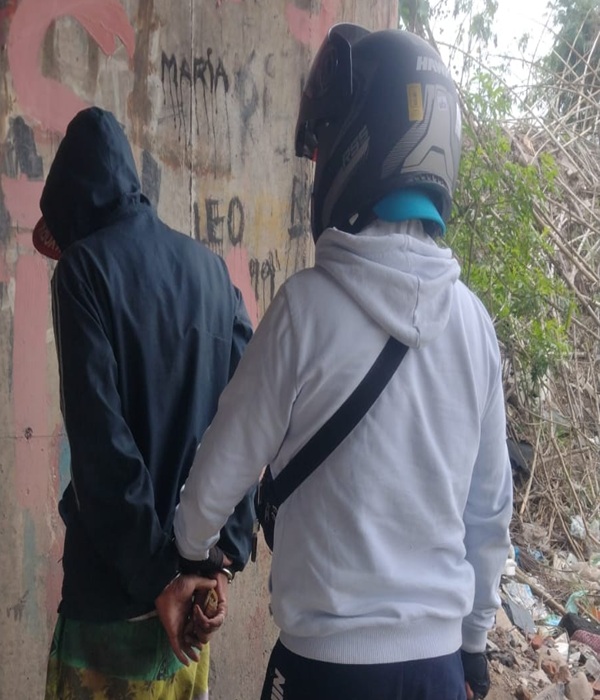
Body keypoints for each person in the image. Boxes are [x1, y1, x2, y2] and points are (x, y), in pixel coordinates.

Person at [156, 25, 513, 700]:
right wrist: (473, 645)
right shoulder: (475, 328)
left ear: (357, 148)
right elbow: (489, 510)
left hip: (325, 669)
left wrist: (192, 552)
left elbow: (224, 464)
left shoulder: (304, 309)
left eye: (322, 150)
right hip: (437, 668)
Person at [33, 106, 255, 700]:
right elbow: (249, 427)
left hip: (112, 612)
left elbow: (101, 447)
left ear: (73, 205)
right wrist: (220, 562)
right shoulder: (213, 274)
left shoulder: (83, 270)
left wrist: (159, 577)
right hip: (193, 611)